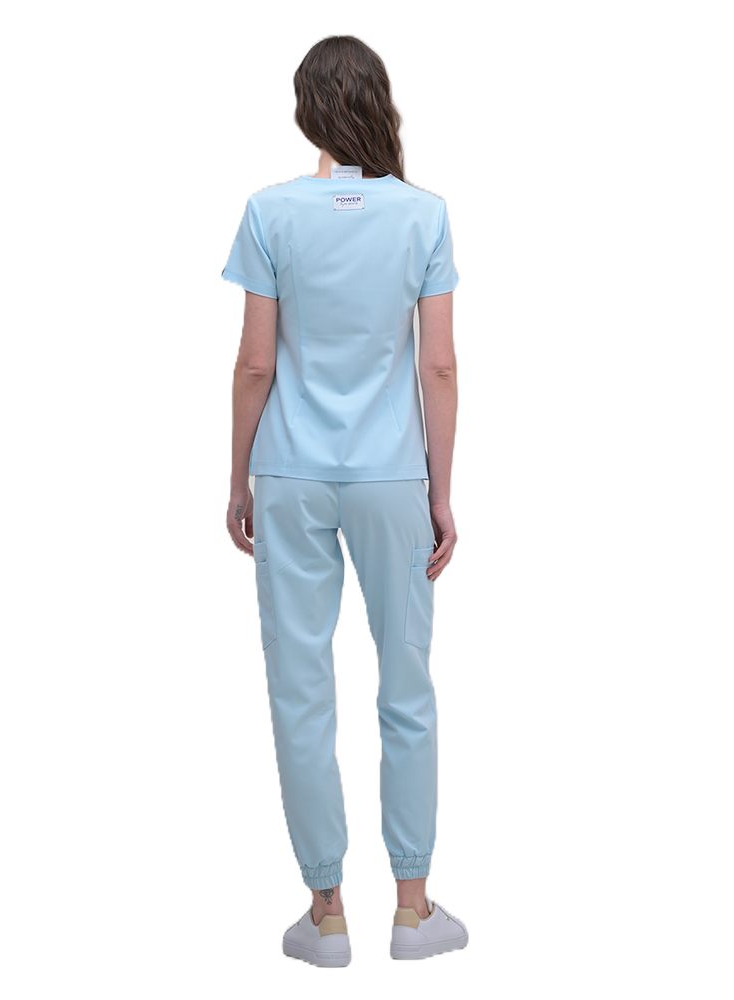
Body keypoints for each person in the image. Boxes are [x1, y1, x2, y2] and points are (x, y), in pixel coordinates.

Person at [221, 33, 466, 967]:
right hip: (393, 475)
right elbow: (438, 367)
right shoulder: (425, 214)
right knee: (406, 684)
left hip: (290, 473)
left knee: (299, 685)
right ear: (381, 103)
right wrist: (442, 490)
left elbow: (254, 363)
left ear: (304, 111)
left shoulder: (268, 211)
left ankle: (326, 913)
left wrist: (237, 478)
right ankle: (411, 907)